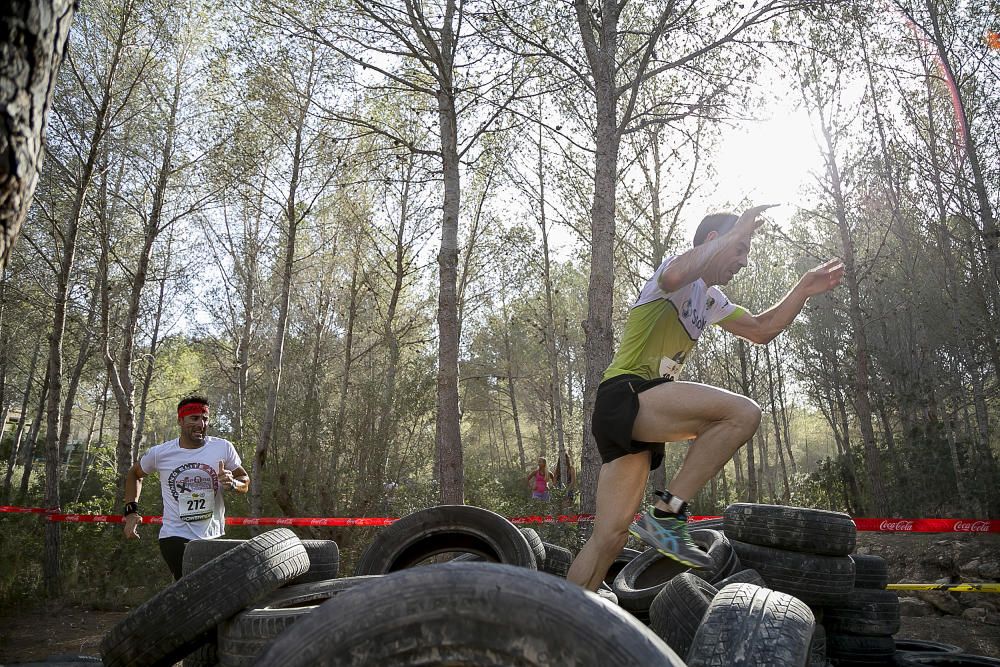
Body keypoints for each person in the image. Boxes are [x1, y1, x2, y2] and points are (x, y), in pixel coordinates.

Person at [566, 205, 844, 591]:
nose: (743, 262)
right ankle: (667, 516)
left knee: (609, 538)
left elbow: (762, 329)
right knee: (742, 414)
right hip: (627, 394)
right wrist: (734, 233)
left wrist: (802, 288)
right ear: (714, 241)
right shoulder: (679, 274)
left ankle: (561, 622)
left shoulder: (710, 299)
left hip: (635, 411)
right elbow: (679, 272)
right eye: (740, 249)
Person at [122, 395, 250, 580]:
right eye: (194, 418)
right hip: (174, 534)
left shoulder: (223, 448)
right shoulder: (161, 453)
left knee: (207, 591)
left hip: (212, 535)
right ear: (180, 421)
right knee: (190, 587)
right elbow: (134, 474)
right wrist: (131, 513)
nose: (201, 424)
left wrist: (233, 483)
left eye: (205, 418)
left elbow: (244, 480)